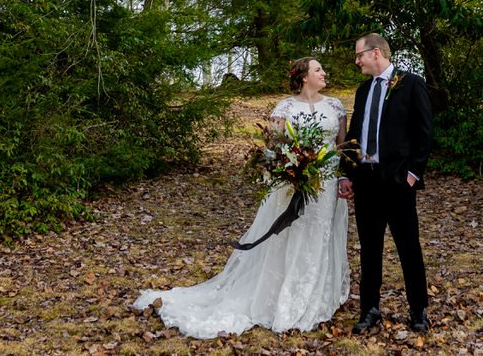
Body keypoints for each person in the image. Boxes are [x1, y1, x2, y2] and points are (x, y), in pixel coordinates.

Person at [132, 57, 350, 338]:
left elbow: (341, 146)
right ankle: (283, 295)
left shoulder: (335, 106)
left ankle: (315, 294)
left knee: (320, 233)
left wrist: (342, 176)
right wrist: (292, 170)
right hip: (293, 185)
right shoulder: (284, 107)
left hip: (327, 184)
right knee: (289, 234)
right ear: (304, 76)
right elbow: (274, 149)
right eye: (318, 69)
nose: (324, 72)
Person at [337, 32, 433, 335]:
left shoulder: (411, 84)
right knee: (369, 248)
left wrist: (412, 175)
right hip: (366, 182)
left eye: (359, 55)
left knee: (408, 248)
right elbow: (353, 134)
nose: (357, 61)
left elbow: (424, 133)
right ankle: (370, 310)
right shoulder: (363, 90)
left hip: (397, 182)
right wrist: (346, 174)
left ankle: (418, 310)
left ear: (376, 53)